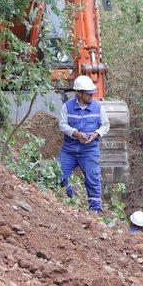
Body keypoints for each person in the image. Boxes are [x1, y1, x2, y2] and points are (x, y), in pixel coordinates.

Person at [58, 75, 110, 213]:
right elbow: (62, 125)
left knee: (93, 178)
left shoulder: (98, 108)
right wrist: (76, 134)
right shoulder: (67, 107)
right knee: (59, 175)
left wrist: (96, 134)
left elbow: (105, 125)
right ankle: (69, 192)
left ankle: (95, 211)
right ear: (79, 93)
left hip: (89, 150)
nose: (91, 95)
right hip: (69, 150)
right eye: (88, 94)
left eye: (92, 93)